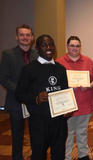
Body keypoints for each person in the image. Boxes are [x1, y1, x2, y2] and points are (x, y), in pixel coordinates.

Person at [15, 34, 68, 159]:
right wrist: (36, 98)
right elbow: (19, 94)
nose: (48, 47)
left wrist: (68, 109)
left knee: (59, 153)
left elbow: (66, 91)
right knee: (39, 154)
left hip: (59, 122)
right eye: (44, 45)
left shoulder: (61, 69)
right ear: (38, 48)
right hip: (39, 121)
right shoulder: (29, 69)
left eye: (51, 44)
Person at [0, 24, 38, 160]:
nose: (25, 38)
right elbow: (3, 78)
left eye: (28, 35)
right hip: (15, 101)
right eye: (22, 35)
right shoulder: (8, 54)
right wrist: (21, 90)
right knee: (17, 134)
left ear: (32, 37)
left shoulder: (37, 55)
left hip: (34, 102)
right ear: (17, 37)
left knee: (36, 133)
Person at [56, 36, 93, 160]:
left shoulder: (88, 61)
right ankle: (67, 156)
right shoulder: (59, 62)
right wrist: (66, 86)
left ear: (80, 47)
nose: (75, 48)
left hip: (85, 104)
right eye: (72, 45)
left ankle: (83, 155)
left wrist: (89, 85)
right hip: (66, 106)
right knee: (67, 134)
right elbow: (55, 83)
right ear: (67, 46)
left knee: (82, 132)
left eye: (77, 46)